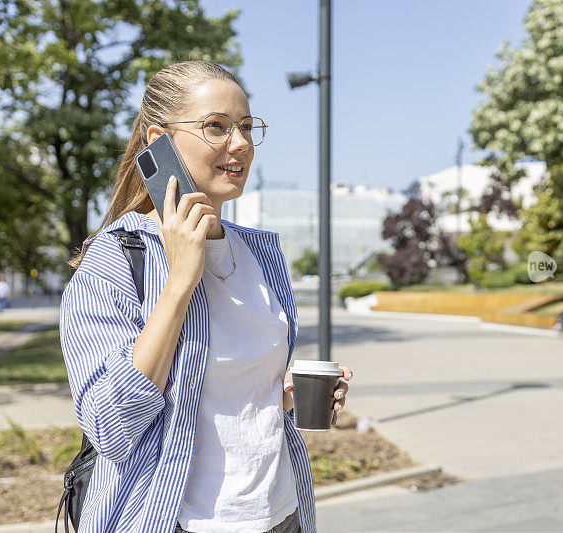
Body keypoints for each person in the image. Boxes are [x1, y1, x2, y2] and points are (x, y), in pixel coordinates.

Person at [61, 61, 352, 533]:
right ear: (160, 141)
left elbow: (227, 396)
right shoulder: (115, 260)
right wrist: (179, 283)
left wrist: (286, 399)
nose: (239, 144)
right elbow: (111, 428)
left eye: (245, 127)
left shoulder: (262, 253)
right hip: (176, 521)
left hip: (282, 514)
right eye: (216, 127)